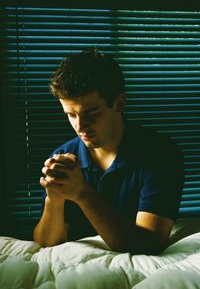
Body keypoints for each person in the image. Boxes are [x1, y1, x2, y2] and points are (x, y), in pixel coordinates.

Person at [33, 49, 184, 254]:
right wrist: (54, 198)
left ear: (119, 103)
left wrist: (83, 194)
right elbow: (47, 244)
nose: (80, 126)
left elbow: (151, 243)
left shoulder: (161, 154)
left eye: (92, 113)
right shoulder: (63, 155)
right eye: (70, 115)